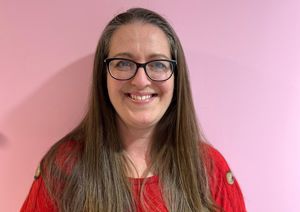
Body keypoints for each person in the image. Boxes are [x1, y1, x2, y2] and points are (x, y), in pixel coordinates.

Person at [21, 8, 246, 212]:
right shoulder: (63, 168)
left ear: (177, 77)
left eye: (158, 64)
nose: (140, 80)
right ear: (103, 76)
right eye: (123, 63)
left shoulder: (209, 170)